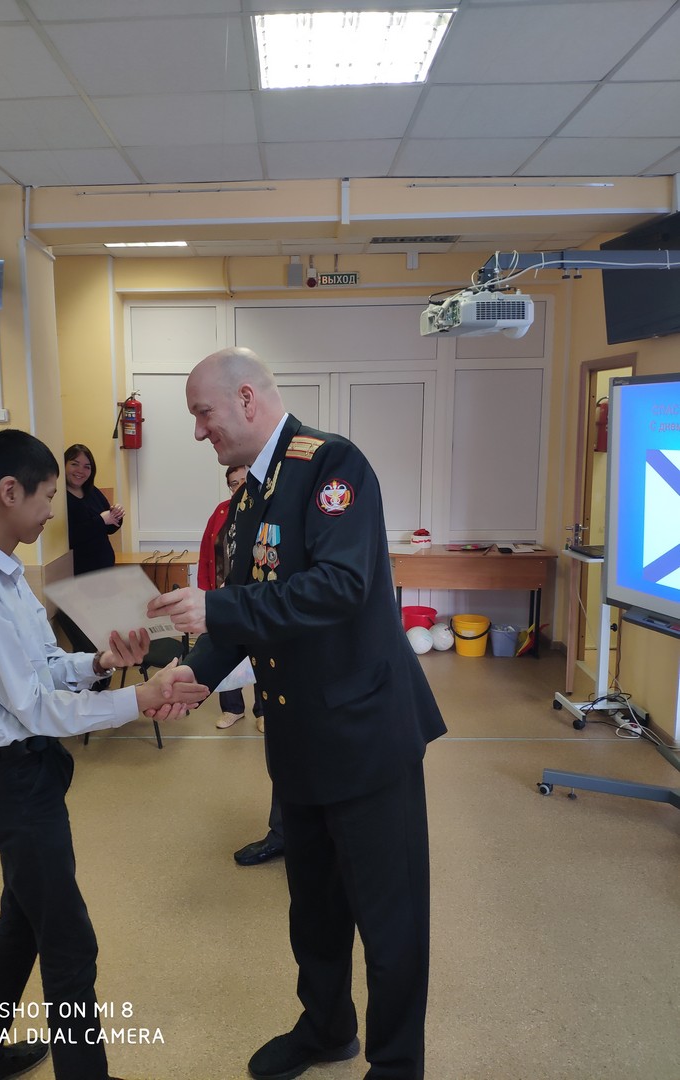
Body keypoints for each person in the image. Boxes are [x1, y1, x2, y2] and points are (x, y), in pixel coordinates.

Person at [148, 347, 446, 1080]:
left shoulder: (332, 466)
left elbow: (340, 586)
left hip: (365, 736)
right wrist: (191, 674)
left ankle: (397, 1064)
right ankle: (326, 1028)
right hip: (301, 740)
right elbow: (245, 615)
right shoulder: (251, 497)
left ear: (247, 399)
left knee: (389, 918)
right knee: (313, 909)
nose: (199, 431)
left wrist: (217, 607)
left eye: (203, 413)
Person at [0, 429, 207, 1080]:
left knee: (23, 920)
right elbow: (36, 708)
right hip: (9, 780)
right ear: (9, 491)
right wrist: (138, 699)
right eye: (48, 495)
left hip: (29, 771)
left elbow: (46, 666)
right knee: (69, 943)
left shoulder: (5, 575)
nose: (53, 509)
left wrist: (100, 662)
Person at [198, 464, 265, 731]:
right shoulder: (221, 511)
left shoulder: (265, 507)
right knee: (225, 648)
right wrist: (206, 592)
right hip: (222, 595)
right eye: (234, 483)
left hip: (254, 596)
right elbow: (206, 551)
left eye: (244, 481)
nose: (240, 487)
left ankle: (263, 709)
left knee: (261, 649)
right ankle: (232, 708)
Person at [65, 443, 124, 576]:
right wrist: (101, 520)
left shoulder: (92, 491)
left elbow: (110, 528)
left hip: (105, 568)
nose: (80, 470)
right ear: (64, 465)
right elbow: (70, 537)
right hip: (81, 573)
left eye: (87, 467)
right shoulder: (59, 498)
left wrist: (116, 515)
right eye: (74, 464)